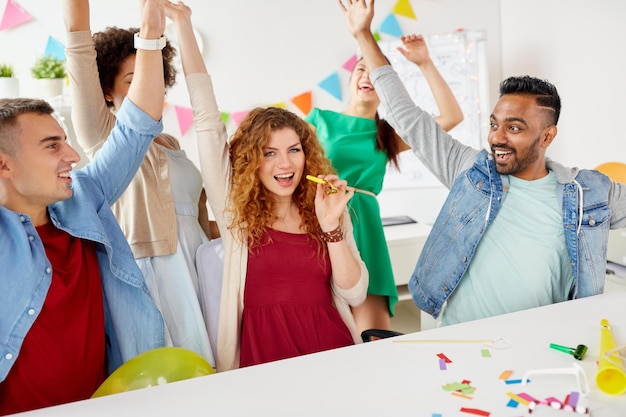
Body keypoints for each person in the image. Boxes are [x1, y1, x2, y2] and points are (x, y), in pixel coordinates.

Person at [338, 0, 626, 326]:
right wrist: (363, 34)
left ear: (547, 136)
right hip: (461, 339)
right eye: (493, 124)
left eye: (514, 127)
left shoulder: (588, 193)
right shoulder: (471, 171)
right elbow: (407, 116)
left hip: (542, 340)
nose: (497, 137)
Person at [0, 0, 167, 413]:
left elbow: (136, 126)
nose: (73, 155)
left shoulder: (85, 197)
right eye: (52, 145)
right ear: (4, 165)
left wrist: (151, 34)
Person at [63, 0, 216, 363]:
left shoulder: (172, 142)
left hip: (198, 263)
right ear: (105, 91)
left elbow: (197, 216)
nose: (150, 86)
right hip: (155, 268)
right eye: (132, 81)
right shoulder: (103, 132)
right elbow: (76, 42)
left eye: (154, 77)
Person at [193, 77, 368, 369]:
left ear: (307, 155)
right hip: (263, 365)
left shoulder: (327, 210)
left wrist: (330, 227)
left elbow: (356, 293)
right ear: (251, 161)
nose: (285, 164)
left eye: (294, 150)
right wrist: (182, 30)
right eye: (269, 153)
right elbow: (207, 125)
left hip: (332, 355)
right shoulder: (236, 216)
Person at [306, 34, 463, 332]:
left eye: (374, 71)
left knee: (372, 335)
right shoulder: (319, 119)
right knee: (324, 329)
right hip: (322, 222)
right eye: (360, 69)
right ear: (351, 79)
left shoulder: (390, 134)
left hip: (366, 227)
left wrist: (425, 63)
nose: (367, 76)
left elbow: (452, 116)